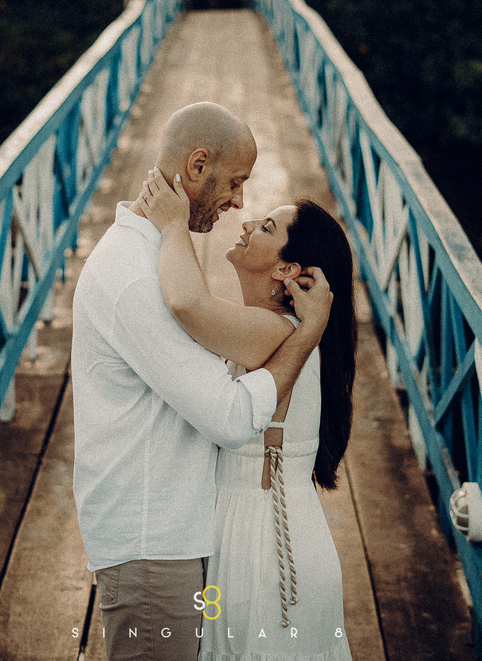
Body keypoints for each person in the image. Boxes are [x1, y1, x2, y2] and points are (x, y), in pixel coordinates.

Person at [71, 102, 334, 661]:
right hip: (150, 547)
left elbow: (198, 308)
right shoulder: (137, 277)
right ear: (196, 166)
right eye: (236, 182)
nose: (240, 202)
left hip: (178, 540)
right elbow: (230, 417)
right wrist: (305, 339)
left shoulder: (158, 258)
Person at [136, 166, 357, 660]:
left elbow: (188, 303)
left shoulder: (274, 333)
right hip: (253, 536)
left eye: (267, 228)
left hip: (266, 551)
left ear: (285, 270)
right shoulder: (279, 332)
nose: (247, 224)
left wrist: (173, 227)